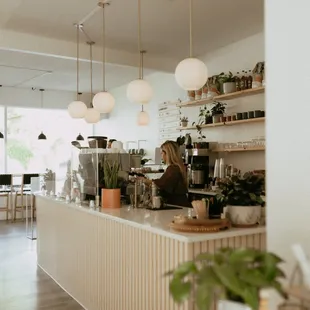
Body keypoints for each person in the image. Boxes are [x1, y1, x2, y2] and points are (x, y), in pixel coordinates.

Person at [143, 140, 191, 208]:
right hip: (179, 205)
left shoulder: (173, 168)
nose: (161, 155)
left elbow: (162, 183)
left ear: (168, 153)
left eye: (162, 153)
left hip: (177, 206)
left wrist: (145, 181)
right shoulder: (177, 167)